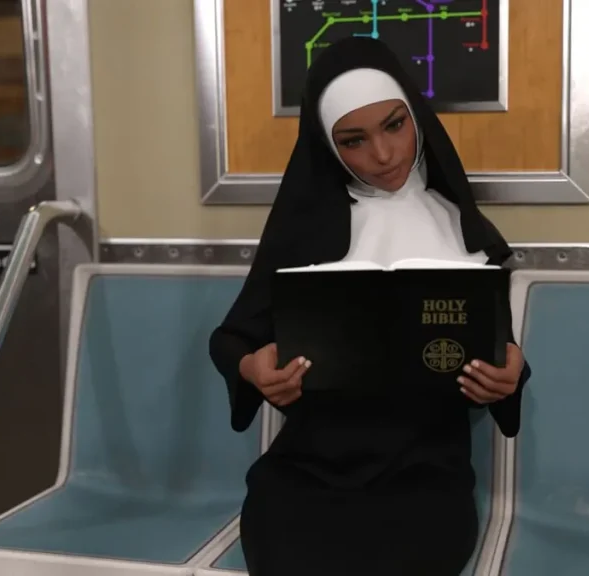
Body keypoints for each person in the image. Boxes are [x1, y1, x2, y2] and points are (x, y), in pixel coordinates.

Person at [209, 37, 531, 576]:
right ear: (328, 145)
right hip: (306, 472)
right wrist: (252, 368)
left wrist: (509, 375)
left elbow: (500, 351)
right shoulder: (302, 230)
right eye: (353, 140)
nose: (383, 155)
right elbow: (231, 338)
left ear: (416, 117)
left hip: (427, 474)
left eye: (394, 125)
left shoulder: (466, 231)